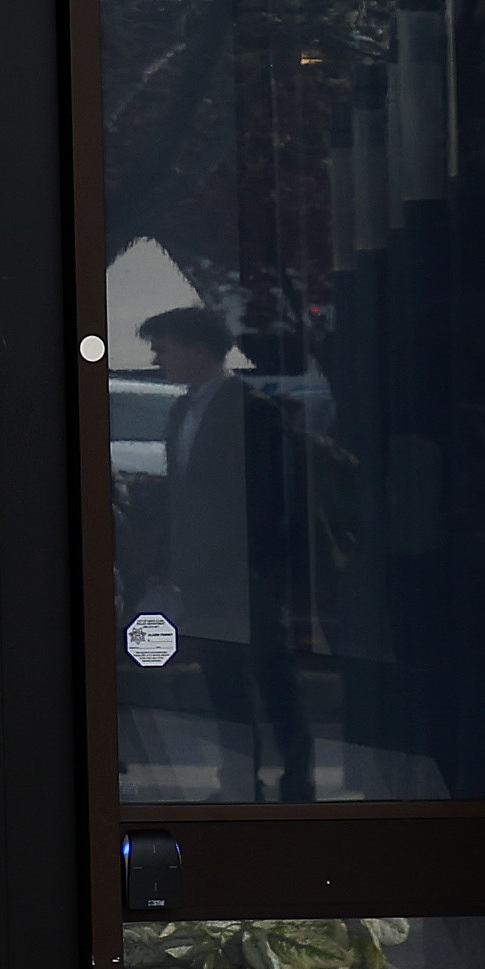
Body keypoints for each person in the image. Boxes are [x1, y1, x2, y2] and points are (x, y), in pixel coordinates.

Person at [142, 298, 316, 800]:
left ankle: (296, 778)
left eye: (164, 350)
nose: (157, 361)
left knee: (272, 674)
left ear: (199, 349)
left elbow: (269, 491)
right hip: (202, 570)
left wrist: (258, 562)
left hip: (244, 570)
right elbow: (181, 493)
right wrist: (167, 563)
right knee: (223, 679)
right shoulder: (180, 412)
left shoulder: (254, 410)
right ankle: (240, 776)